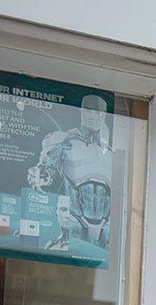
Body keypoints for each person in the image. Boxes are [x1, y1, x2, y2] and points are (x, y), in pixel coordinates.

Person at [27, 94, 113, 250]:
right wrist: (39, 175)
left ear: (104, 116)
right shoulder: (66, 142)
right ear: (81, 112)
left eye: (98, 113)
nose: (92, 116)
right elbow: (46, 170)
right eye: (88, 111)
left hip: (106, 226)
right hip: (74, 221)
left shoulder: (110, 154)